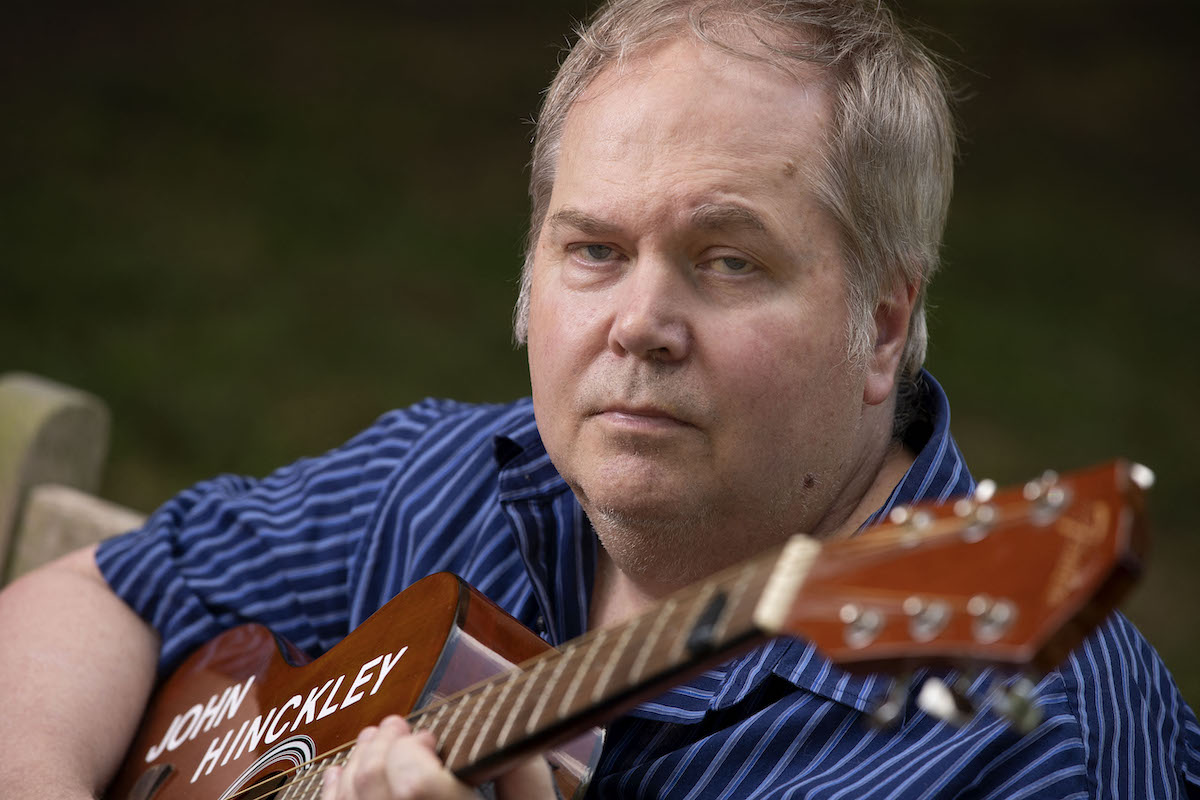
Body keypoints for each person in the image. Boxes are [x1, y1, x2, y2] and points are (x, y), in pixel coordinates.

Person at [1, 1, 1197, 798]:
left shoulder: (1032, 731)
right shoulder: (456, 484)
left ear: (882, 321)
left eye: (728, 260)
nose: (640, 321)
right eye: (594, 250)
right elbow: (111, 590)